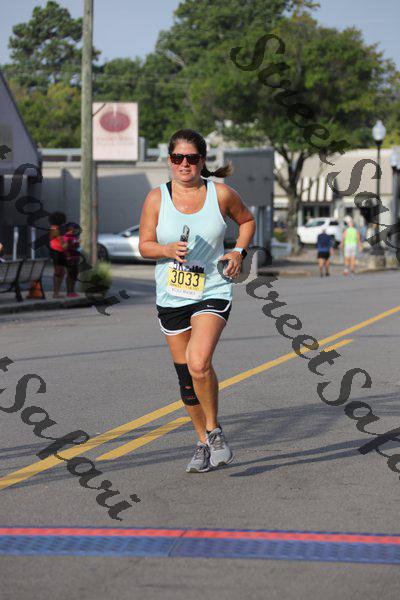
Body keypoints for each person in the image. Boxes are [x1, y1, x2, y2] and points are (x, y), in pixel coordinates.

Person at [139, 129, 256, 473]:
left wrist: (238, 251)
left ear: (202, 161)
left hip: (212, 289)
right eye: (178, 158)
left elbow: (247, 221)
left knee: (198, 361)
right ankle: (202, 441)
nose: (185, 164)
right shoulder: (156, 198)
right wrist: (165, 249)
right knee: (186, 377)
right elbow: (144, 245)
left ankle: (214, 430)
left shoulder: (220, 194)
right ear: (170, 161)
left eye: (191, 158)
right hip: (172, 294)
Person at [48, 212, 67, 298]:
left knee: (62, 272)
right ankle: (55, 293)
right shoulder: (55, 229)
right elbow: (63, 244)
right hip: (56, 252)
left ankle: (57, 292)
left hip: (60, 252)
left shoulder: (57, 228)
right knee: (58, 272)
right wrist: (71, 243)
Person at [63, 222, 81, 297]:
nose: (75, 230)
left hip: (75, 257)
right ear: (69, 228)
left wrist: (77, 244)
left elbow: (76, 247)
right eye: (73, 228)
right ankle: (69, 291)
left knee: (75, 274)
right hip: (69, 258)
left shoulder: (74, 237)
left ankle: (72, 291)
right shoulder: (66, 237)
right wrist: (68, 256)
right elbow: (64, 247)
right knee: (70, 274)